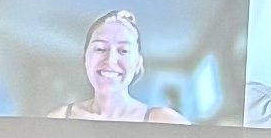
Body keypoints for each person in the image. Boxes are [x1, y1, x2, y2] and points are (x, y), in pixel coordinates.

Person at [50, 9, 191, 122]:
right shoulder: (58, 118)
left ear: (138, 64)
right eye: (100, 49)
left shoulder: (166, 122)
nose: (110, 60)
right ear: (85, 59)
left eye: (123, 51)